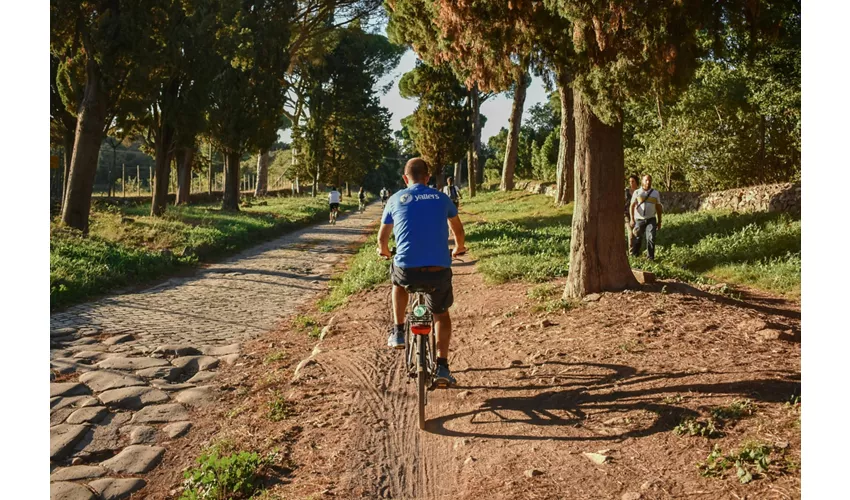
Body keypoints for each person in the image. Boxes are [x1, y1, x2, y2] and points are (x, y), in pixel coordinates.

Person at [377, 158, 467, 386]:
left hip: (408, 270)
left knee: (397, 281)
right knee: (441, 314)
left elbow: (382, 238)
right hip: (438, 269)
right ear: (427, 178)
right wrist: (459, 248)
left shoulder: (395, 198)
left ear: (405, 179)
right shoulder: (441, 197)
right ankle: (443, 367)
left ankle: (398, 330)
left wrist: (385, 251)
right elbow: (457, 228)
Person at [629, 174, 663, 260]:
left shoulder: (655, 193)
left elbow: (659, 208)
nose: (648, 182)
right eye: (646, 180)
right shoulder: (637, 193)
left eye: (650, 180)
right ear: (642, 181)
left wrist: (659, 221)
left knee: (651, 237)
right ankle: (634, 256)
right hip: (639, 219)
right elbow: (631, 206)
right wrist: (632, 219)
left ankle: (650, 258)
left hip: (651, 219)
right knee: (637, 238)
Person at [625, 175, 639, 247]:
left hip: (637, 215)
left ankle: (636, 251)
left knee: (636, 233)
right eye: (630, 181)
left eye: (633, 181)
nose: (631, 183)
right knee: (630, 234)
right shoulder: (626, 192)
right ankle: (631, 254)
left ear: (636, 182)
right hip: (627, 215)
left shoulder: (639, 192)